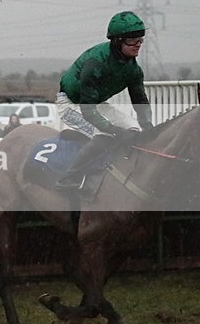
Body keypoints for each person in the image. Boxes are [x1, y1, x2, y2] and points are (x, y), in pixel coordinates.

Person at [54, 11, 154, 190]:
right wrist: (114, 130)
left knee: (134, 128)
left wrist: (148, 126)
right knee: (105, 134)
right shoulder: (95, 64)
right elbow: (88, 111)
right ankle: (68, 177)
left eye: (140, 40)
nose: (138, 45)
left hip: (96, 104)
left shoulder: (134, 69)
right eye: (132, 40)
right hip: (71, 104)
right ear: (117, 41)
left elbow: (140, 100)